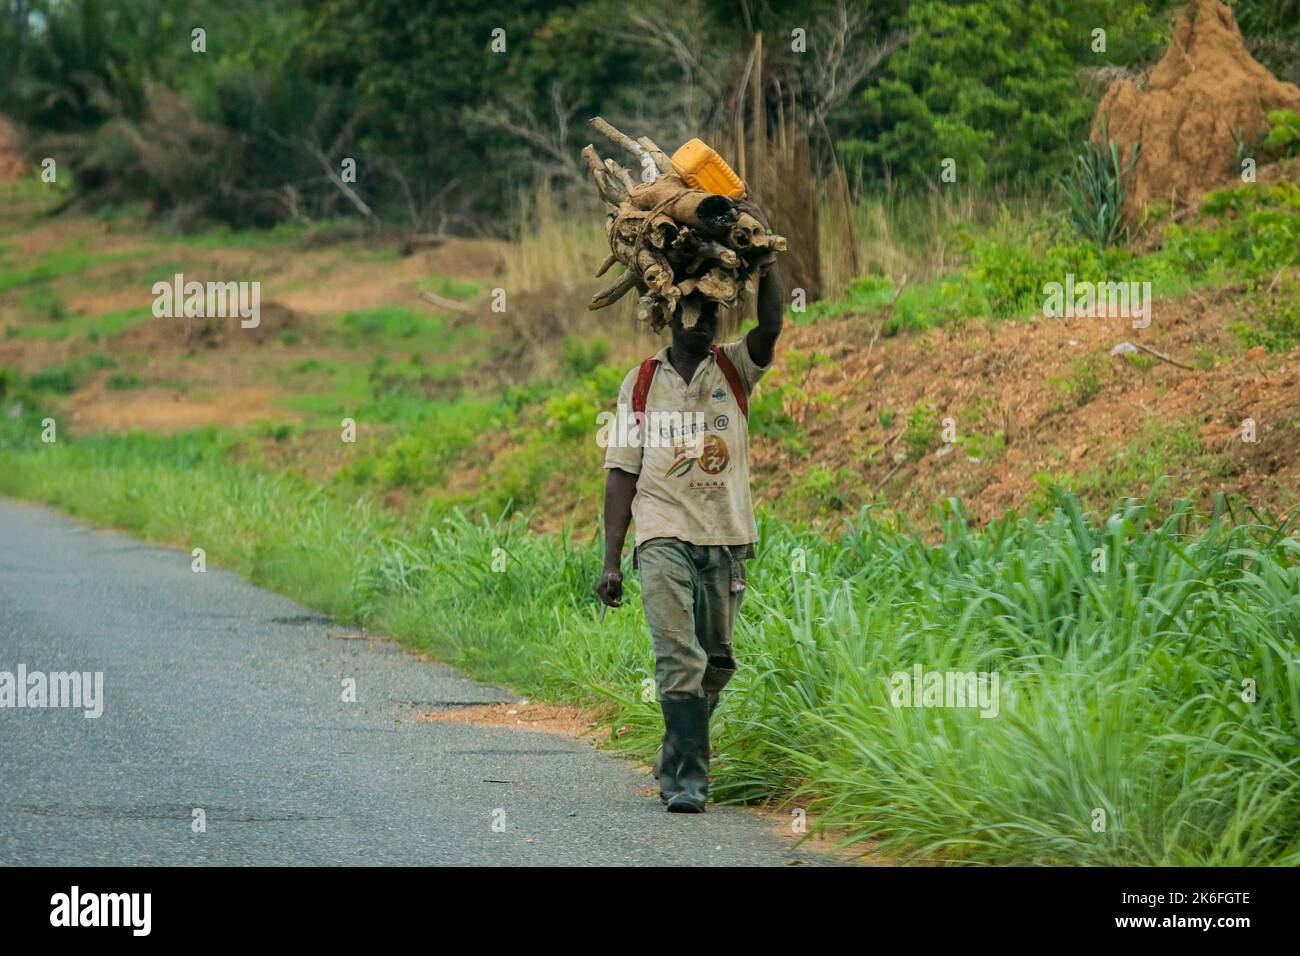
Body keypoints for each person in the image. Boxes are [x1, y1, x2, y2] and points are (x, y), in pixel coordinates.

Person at [595, 199, 783, 813]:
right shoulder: (641, 382)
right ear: (670, 313)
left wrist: (766, 255)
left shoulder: (734, 369)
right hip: (661, 535)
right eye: (691, 311)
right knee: (678, 659)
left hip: (726, 537)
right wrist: (612, 560)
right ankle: (689, 783)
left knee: (716, 663)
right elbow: (621, 473)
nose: (701, 322)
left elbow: (772, 329)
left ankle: (676, 750)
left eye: (711, 311)